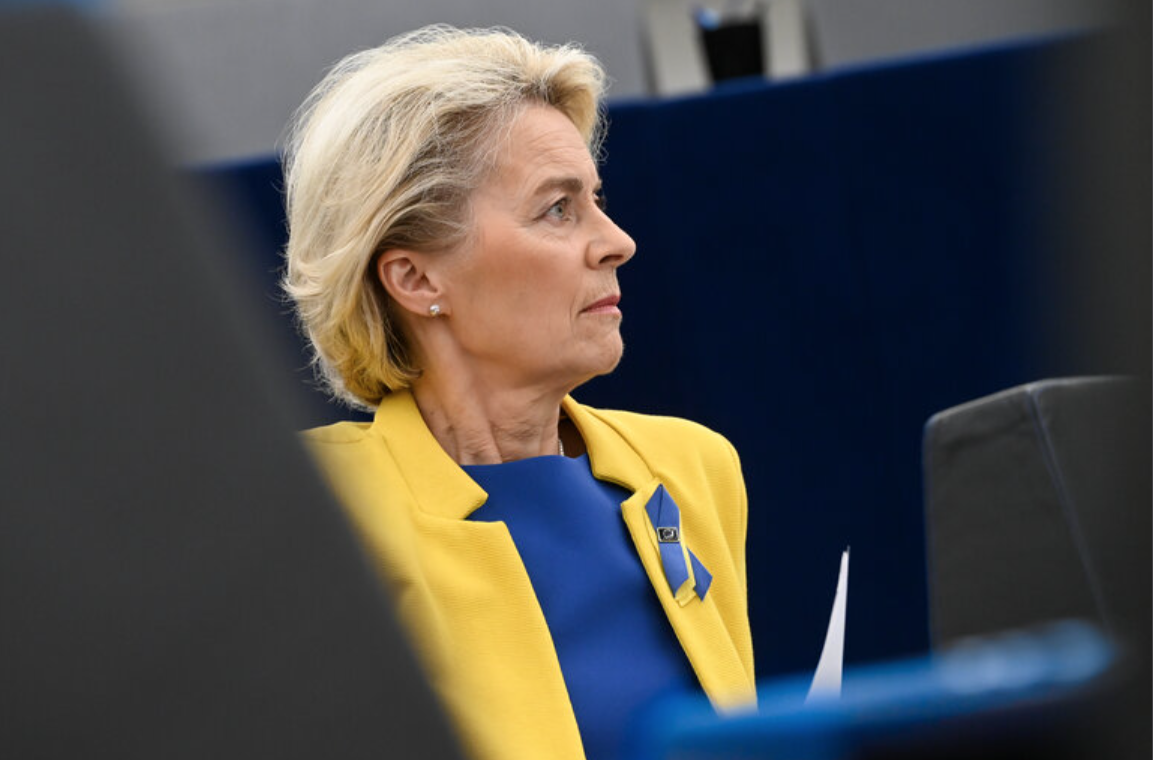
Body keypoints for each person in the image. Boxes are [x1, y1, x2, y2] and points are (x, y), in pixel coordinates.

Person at [282, 25, 755, 760]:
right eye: (557, 209)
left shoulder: (693, 468)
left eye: (596, 200)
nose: (617, 240)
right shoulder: (310, 510)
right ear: (415, 279)